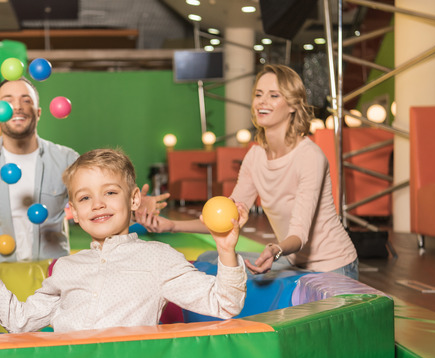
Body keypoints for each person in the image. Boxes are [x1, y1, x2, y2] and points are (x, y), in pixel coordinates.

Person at [0, 148, 248, 334]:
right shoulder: (65, 268)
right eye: (85, 198)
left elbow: (225, 304)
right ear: (74, 212)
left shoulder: (159, 257)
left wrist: (225, 250)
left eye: (110, 192)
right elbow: (19, 321)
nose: (98, 204)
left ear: (134, 199)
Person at [136, 64, 359, 280]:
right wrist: (169, 225)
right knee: (208, 258)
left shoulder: (309, 156)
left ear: (293, 105)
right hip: (292, 261)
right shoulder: (255, 156)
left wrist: (276, 250)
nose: (262, 101)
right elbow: (227, 217)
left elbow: (299, 235)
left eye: (274, 95)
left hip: (333, 265)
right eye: (258, 94)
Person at [0, 77, 167, 263]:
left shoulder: (66, 158)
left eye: (26, 100)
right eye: (8, 100)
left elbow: (95, 206)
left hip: (53, 272)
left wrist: (131, 207)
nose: (17, 106)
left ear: (38, 112)